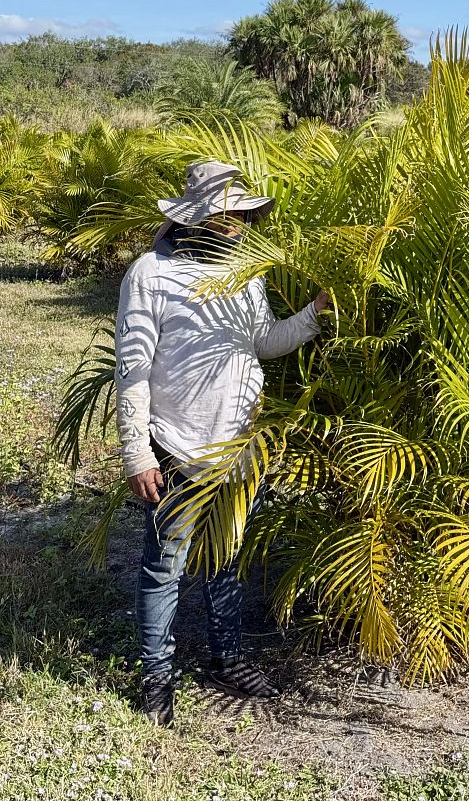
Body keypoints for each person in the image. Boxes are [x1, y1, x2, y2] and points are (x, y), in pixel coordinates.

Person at [115, 160, 328, 727]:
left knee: (225, 560)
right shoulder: (150, 274)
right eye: (229, 213)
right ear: (201, 216)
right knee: (164, 566)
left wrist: (312, 316)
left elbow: (261, 342)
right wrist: (136, 452)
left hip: (239, 448)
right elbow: (132, 371)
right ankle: (157, 676)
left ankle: (227, 659)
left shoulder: (247, 273)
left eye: (243, 213)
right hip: (175, 446)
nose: (239, 223)